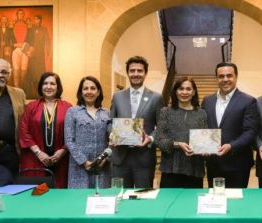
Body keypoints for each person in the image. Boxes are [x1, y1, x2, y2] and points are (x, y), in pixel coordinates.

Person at [201, 62, 259, 188]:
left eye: (229, 76)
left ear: (236, 77)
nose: (225, 79)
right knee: (216, 200)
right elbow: (204, 128)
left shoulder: (248, 101)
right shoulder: (207, 101)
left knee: (236, 201)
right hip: (213, 162)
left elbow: (250, 132)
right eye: (221, 76)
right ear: (216, 78)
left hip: (238, 163)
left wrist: (231, 146)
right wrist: (203, 146)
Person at [109, 56, 163, 188]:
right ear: (127, 73)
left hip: (144, 158)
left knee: (143, 199)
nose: (136, 74)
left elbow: (162, 125)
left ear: (145, 73)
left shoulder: (156, 97)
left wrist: (150, 138)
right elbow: (110, 122)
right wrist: (111, 134)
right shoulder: (117, 96)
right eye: (132, 71)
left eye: (139, 71)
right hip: (120, 157)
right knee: (120, 197)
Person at [18, 72, 72, 188]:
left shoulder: (68, 107)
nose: (48, 87)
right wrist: (38, 152)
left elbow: (74, 132)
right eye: (45, 83)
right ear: (40, 86)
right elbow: (24, 131)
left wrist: (63, 151)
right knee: (37, 194)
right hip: (35, 159)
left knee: (59, 194)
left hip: (61, 160)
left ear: (58, 87)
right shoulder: (31, 107)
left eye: (52, 84)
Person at [156, 77, 208, 188]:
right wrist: (178, 144)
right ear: (175, 91)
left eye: (188, 89)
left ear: (193, 92)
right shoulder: (165, 112)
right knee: (168, 204)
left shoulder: (202, 114)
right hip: (170, 169)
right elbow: (159, 140)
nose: (184, 92)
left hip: (194, 170)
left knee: (192, 204)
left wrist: (206, 149)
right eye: (181, 89)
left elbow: (205, 140)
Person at [64, 76, 111, 188]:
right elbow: (69, 141)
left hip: (102, 166)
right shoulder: (72, 112)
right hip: (79, 167)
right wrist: (84, 162)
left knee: (101, 200)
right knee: (79, 201)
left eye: (93, 88)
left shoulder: (107, 113)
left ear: (98, 92)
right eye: (85, 89)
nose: (89, 91)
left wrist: (105, 158)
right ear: (81, 92)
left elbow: (112, 140)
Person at [26, 15, 51, 99]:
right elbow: (27, 41)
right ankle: (31, 93)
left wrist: (48, 52)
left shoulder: (44, 30)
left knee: (40, 72)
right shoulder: (31, 29)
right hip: (32, 54)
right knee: (32, 72)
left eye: (36, 19)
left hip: (40, 55)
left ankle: (40, 93)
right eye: (34, 19)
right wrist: (28, 52)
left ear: (40, 20)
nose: (35, 20)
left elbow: (47, 41)